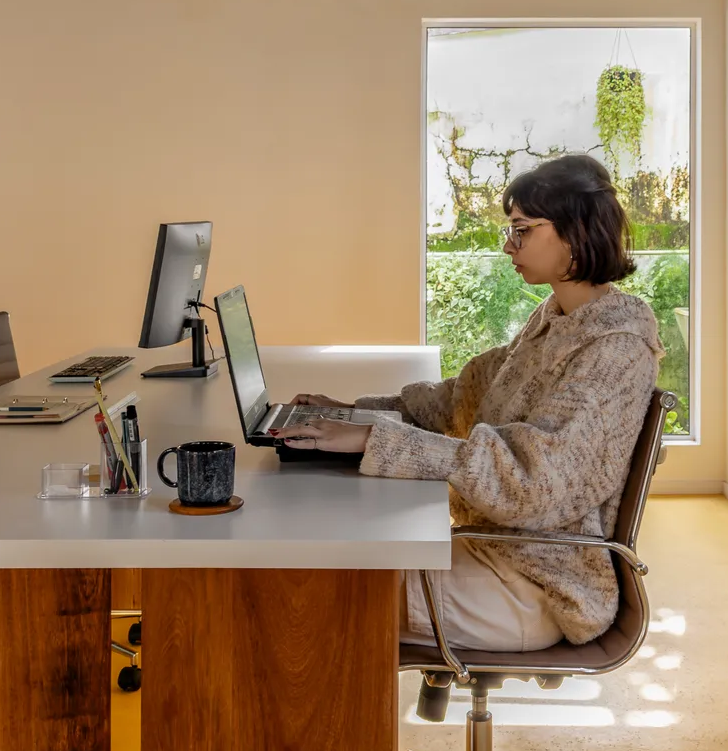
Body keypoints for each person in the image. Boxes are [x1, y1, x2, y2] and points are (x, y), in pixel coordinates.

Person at [274, 153, 662, 651]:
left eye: (522, 230)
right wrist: (354, 412)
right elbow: (463, 397)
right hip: (499, 551)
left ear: (574, 230)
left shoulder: (615, 348)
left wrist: (379, 439)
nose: (508, 245)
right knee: (317, 556)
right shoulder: (560, 319)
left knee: (308, 589)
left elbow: (537, 479)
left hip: (536, 583)